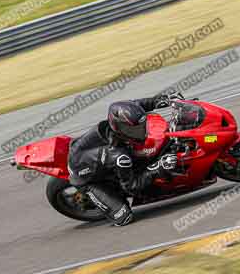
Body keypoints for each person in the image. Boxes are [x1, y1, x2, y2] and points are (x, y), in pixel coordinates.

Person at [68, 96, 178, 226]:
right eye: (133, 130)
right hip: (85, 178)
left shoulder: (122, 117)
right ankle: (86, 197)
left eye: (140, 127)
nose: (140, 132)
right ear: (120, 128)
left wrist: (162, 100)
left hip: (85, 151)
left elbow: (137, 106)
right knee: (124, 217)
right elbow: (132, 187)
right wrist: (157, 168)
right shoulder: (119, 156)